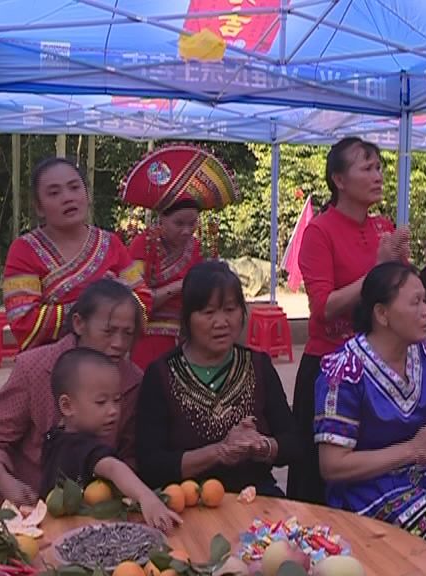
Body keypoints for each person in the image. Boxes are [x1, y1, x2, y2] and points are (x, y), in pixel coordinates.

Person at [288, 137, 409, 504]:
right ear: (339, 180)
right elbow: (324, 307)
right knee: (319, 483)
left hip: (377, 367)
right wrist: (377, 269)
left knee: (371, 478)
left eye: (379, 168)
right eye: (367, 168)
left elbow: (395, 296)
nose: (378, 176)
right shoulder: (319, 232)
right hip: (330, 369)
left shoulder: (382, 228)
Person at [314, 262, 426, 544]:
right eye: (415, 302)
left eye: (425, 300)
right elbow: (332, 466)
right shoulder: (345, 371)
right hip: (368, 493)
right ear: (382, 314)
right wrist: (413, 449)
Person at [0, 279, 144, 506]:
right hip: (28, 507)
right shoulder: (33, 368)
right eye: (108, 331)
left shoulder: (133, 380)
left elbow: (130, 455)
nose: (119, 344)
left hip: (98, 510)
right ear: (79, 323)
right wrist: (6, 482)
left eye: (128, 333)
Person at [136, 261, 300, 495]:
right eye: (208, 312)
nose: (221, 322)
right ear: (187, 318)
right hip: (187, 501)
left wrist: (261, 445)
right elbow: (151, 465)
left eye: (230, 309)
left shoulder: (258, 365)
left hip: (257, 497)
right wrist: (219, 451)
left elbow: (292, 443)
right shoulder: (162, 374)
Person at [3, 157, 151, 351]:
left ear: (87, 195)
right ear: (39, 207)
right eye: (54, 193)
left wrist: (121, 295)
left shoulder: (111, 244)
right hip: (50, 368)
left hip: (109, 363)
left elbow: (143, 303)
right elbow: (24, 323)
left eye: (74, 187)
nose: (67, 198)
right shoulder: (24, 250)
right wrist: (99, 299)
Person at [120, 145, 240, 369]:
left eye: (192, 223)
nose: (186, 230)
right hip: (150, 340)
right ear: (161, 220)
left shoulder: (195, 247)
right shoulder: (142, 245)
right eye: (179, 223)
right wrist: (179, 286)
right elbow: (132, 301)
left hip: (190, 340)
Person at [40, 348, 181, 532]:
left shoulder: (56, 437)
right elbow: (114, 468)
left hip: (53, 531)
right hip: (80, 537)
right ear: (67, 406)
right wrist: (147, 497)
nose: (113, 410)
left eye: (117, 400)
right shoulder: (83, 448)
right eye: (101, 402)